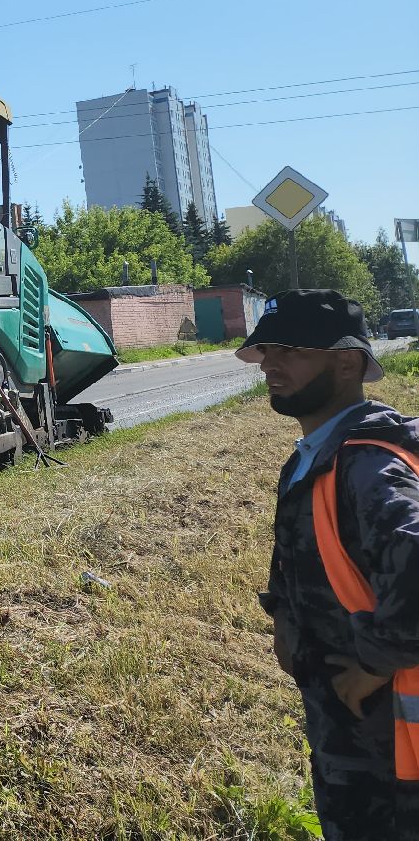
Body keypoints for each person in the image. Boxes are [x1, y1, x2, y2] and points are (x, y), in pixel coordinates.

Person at [242, 289, 419, 839]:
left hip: (387, 743)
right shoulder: (317, 454)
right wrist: (284, 617)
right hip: (351, 727)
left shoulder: (364, 463)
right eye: (265, 349)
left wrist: (375, 661)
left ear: (347, 361)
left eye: (290, 350)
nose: (269, 364)